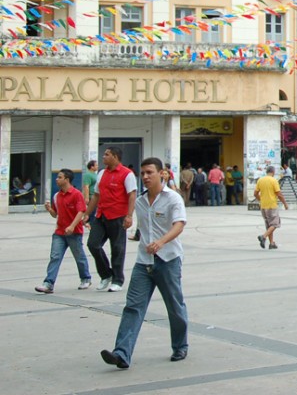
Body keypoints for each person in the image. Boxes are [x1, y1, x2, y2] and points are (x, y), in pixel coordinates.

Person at [100, 157, 188, 369]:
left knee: (174, 307)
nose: (146, 177)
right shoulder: (140, 201)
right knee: (133, 307)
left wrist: (161, 242)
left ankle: (180, 346)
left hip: (168, 260)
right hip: (143, 262)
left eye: (150, 172)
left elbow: (179, 225)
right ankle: (122, 353)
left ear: (162, 174)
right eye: (143, 174)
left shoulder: (173, 199)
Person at [84, 146, 136, 292]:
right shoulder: (101, 173)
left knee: (117, 248)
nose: (103, 157)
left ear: (115, 156)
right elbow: (96, 195)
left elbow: (132, 195)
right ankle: (106, 274)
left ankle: (117, 280)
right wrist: (87, 213)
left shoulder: (127, 174)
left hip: (118, 216)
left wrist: (129, 215)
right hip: (101, 215)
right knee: (93, 244)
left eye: (106, 155)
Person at [36, 169, 92, 294]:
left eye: (59, 177)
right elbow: (55, 214)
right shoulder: (56, 196)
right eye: (57, 177)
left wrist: (72, 226)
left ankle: (85, 278)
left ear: (67, 180)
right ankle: (48, 283)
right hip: (59, 233)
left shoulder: (77, 194)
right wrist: (49, 209)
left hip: (74, 232)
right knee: (55, 257)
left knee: (79, 256)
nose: (57, 179)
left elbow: (81, 211)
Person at [254, 165, 288, 249]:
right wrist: (285, 204)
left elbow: (255, 194)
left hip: (263, 206)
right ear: (273, 172)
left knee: (269, 225)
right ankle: (263, 236)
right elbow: (279, 194)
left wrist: (261, 200)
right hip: (272, 206)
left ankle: (271, 243)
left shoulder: (260, 180)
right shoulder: (274, 181)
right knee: (275, 224)